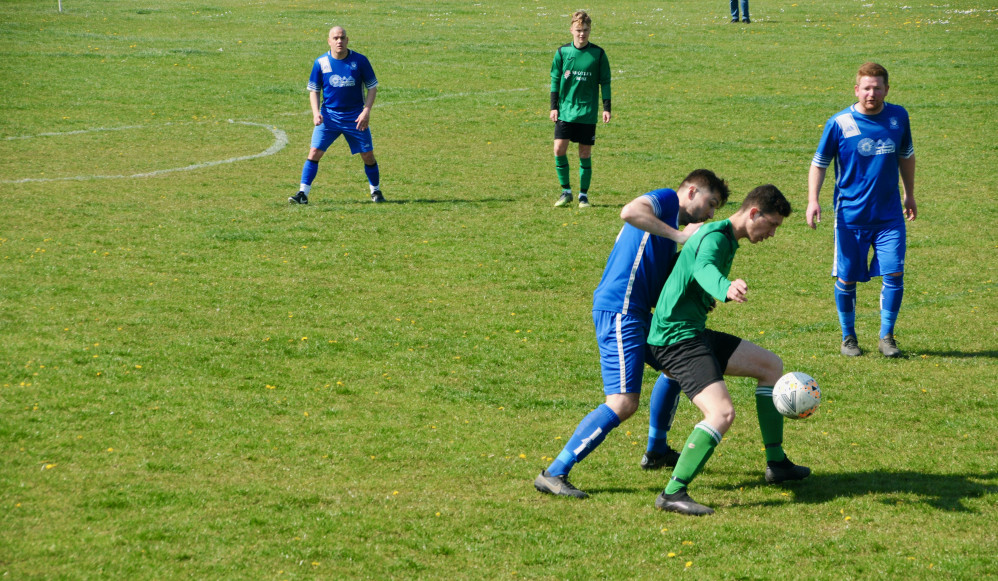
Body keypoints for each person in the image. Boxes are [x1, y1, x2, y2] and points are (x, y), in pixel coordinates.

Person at [534, 170, 730, 499]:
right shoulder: (666, 199)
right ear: (692, 191)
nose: (711, 214)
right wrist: (680, 237)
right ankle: (554, 472)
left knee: (676, 365)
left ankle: (656, 450)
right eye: (711, 204)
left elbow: (657, 286)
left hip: (637, 312)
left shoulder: (665, 234)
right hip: (621, 311)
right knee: (623, 402)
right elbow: (629, 211)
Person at [647, 185, 810, 516]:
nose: (772, 234)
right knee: (721, 414)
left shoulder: (726, 237)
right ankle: (673, 492)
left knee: (770, 367)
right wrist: (725, 287)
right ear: (753, 213)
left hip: (692, 333)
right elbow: (704, 268)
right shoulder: (715, 237)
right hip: (675, 339)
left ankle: (776, 463)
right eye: (773, 225)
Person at [806, 62, 916, 358]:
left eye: (877, 87)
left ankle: (887, 337)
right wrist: (812, 200)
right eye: (866, 87)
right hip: (850, 216)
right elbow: (819, 163)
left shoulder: (898, 117)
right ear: (857, 89)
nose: (872, 93)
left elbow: (906, 155)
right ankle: (848, 337)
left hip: (889, 216)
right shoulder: (839, 123)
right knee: (847, 278)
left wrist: (909, 194)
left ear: (886, 89)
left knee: (894, 272)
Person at [290, 26, 384, 205]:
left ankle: (376, 191)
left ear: (347, 40)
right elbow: (314, 90)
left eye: (342, 38)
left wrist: (366, 111)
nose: (339, 41)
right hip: (329, 117)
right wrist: (316, 112)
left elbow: (372, 87)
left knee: (368, 155)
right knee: (314, 152)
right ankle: (302, 194)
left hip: (355, 118)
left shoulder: (360, 61)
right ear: (329, 41)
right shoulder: (320, 63)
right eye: (335, 38)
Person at [549, 10, 612, 208]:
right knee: (559, 149)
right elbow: (555, 80)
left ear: (590, 30)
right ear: (571, 30)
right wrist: (554, 107)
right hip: (566, 111)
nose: (582, 34)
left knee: (584, 153)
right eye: (578, 30)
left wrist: (606, 108)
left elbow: (606, 82)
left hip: (587, 112)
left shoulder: (598, 54)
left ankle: (583, 196)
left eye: (585, 30)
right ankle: (566, 191)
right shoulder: (562, 53)